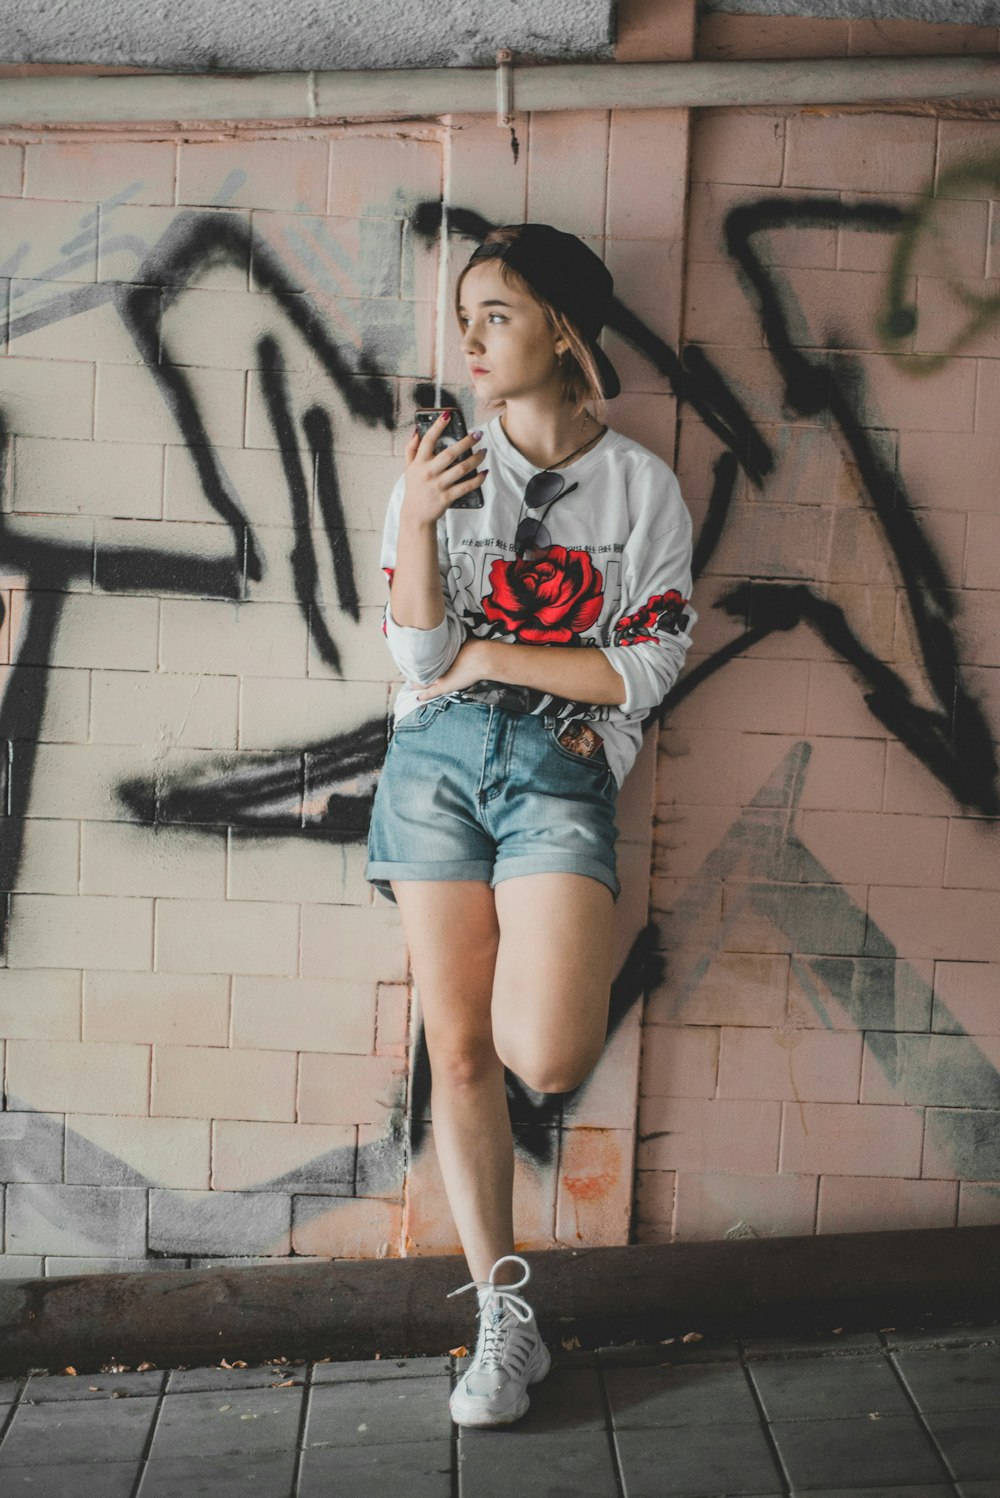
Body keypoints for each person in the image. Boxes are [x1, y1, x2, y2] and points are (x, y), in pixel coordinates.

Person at [365, 223, 697, 1427]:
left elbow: (649, 663)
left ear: (562, 327)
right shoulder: (444, 469)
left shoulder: (640, 488)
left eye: (494, 313)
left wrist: (491, 652)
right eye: (465, 317)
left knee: (545, 1056)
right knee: (454, 1052)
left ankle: (508, 1312)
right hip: (434, 765)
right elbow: (412, 654)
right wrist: (411, 521)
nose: (469, 338)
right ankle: (501, 1313)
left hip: (557, 770)